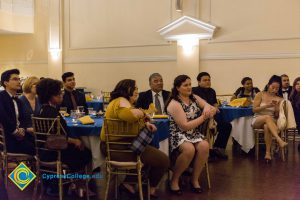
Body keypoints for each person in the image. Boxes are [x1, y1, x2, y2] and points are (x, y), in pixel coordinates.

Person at [100, 79, 169, 198]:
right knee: (163, 160)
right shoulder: (121, 101)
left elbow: (129, 122)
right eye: (135, 88)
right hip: (119, 149)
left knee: (151, 155)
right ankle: (150, 190)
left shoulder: (120, 102)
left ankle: (128, 184)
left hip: (121, 146)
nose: (137, 91)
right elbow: (129, 116)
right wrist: (143, 113)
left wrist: (145, 123)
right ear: (127, 89)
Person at [166, 75, 216, 195]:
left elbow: (209, 106)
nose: (189, 87)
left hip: (193, 133)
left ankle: (194, 179)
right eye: (185, 85)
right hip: (177, 133)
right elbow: (185, 126)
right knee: (189, 149)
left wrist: (208, 109)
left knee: (204, 145)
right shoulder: (174, 103)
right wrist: (204, 116)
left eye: (190, 84)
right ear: (178, 88)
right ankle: (174, 180)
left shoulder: (194, 97)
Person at [36, 78, 91, 170]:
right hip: (57, 153)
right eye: (59, 93)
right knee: (87, 153)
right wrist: (75, 141)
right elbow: (57, 137)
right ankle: (75, 180)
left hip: (43, 151)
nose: (62, 94)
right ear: (51, 96)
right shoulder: (53, 113)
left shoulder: (41, 110)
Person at [192, 72, 232, 159]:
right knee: (207, 128)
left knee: (227, 125)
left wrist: (215, 107)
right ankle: (207, 151)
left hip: (213, 114)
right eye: (205, 80)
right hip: (201, 115)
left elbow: (214, 103)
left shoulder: (212, 91)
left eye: (209, 80)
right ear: (199, 82)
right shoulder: (194, 91)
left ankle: (218, 149)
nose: (207, 82)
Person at [252, 75, 287, 162]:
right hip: (258, 119)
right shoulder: (260, 94)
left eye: (277, 88)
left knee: (267, 126)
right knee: (267, 117)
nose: (274, 89)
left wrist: (276, 109)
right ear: (268, 85)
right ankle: (279, 139)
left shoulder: (279, 98)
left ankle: (267, 153)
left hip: (272, 121)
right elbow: (254, 109)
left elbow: (276, 116)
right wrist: (267, 105)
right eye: (273, 87)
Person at [0, 69, 35, 155]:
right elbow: (3, 118)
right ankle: (25, 168)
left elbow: (22, 119)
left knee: (41, 144)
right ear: (6, 83)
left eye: (19, 79)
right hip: (8, 138)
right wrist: (15, 132)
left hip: (20, 136)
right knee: (37, 149)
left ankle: (30, 167)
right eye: (15, 79)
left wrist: (22, 129)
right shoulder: (1, 97)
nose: (19, 81)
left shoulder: (18, 100)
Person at [289, 77, 300, 151]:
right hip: (295, 118)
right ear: (294, 85)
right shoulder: (292, 96)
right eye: (297, 84)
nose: (299, 86)